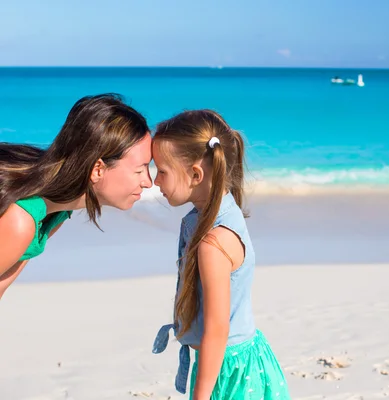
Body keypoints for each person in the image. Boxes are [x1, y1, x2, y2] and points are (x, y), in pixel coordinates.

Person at [151, 110, 290, 400]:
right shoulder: (221, 213)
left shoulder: (213, 243)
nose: (155, 181)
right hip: (243, 358)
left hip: (228, 369)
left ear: (196, 174)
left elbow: (216, 329)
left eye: (162, 171)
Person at [0, 93, 153, 299]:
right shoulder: (21, 219)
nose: (148, 182)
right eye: (139, 170)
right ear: (97, 168)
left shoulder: (56, 206)